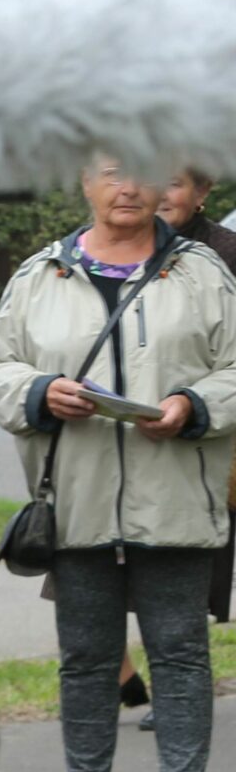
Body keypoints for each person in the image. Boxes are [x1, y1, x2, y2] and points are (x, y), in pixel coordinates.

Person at [0, 158, 236, 772]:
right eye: (113, 171)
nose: (128, 187)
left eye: (144, 173)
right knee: (86, 658)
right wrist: (38, 393)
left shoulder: (204, 272)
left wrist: (195, 406)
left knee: (180, 653)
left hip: (176, 498)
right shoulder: (39, 276)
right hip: (77, 505)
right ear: (85, 182)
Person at [161, 169, 236, 639]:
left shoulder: (224, 253)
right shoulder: (109, 247)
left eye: (172, 181)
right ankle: (123, 676)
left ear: (203, 192)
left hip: (216, 426)